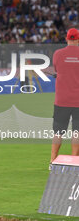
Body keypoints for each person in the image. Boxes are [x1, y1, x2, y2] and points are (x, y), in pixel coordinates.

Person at [51, 28, 79, 164]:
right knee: (77, 132)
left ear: (67, 38)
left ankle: (52, 161)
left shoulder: (58, 54)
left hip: (61, 100)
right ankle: (74, 162)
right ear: (78, 39)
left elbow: (57, 70)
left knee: (58, 132)